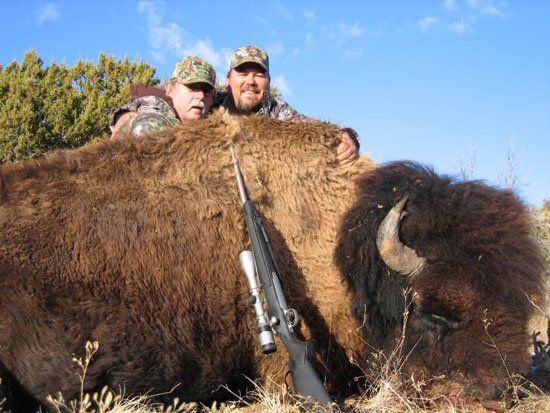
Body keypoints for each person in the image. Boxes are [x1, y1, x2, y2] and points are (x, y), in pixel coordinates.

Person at [212, 45, 360, 164]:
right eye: (243, 73)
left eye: (259, 75)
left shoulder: (277, 110)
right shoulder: (210, 100)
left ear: (269, 83)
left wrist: (347, 136)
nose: (251, 81)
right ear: (227, 80)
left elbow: (312, 128)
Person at [109, 56, 216, 140]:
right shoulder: (154, 122)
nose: (201, 96)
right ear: (169, 88)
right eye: (193, 86)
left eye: (207, 90)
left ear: (212, 98)